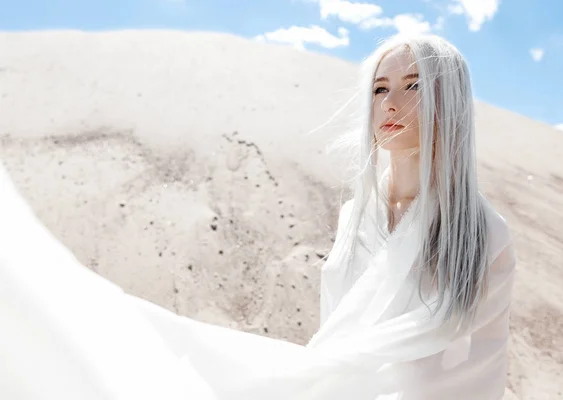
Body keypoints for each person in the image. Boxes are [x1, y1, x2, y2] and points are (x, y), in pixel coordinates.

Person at [0, 34, 516, 400]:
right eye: (380, 88)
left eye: (414, 85)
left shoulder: (483, 232)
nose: (391, 102)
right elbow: (339, 329)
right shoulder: (356, 219)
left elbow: (471, 360)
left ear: (451, 101)